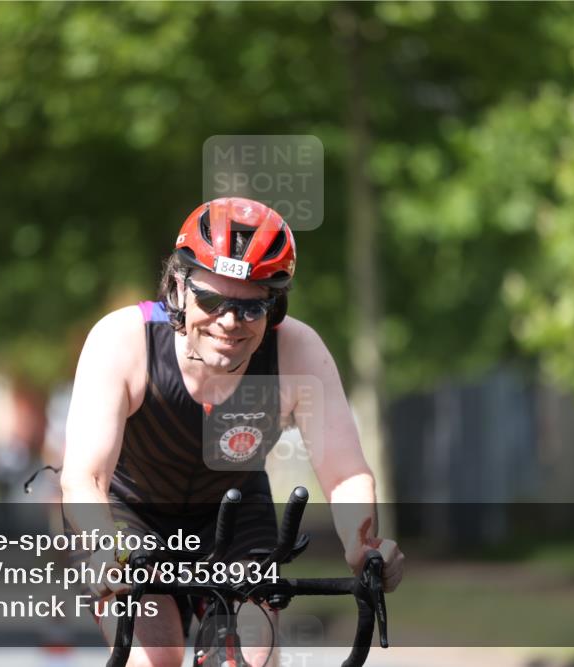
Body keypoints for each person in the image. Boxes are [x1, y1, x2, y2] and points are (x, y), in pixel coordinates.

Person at [60, 197, 404, 667]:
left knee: (250, 657)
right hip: (131, 514)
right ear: (177, 288)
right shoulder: (123, 341)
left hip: (235, 511)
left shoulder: (297, 352)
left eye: (251, 308)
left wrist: (359, 545)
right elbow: (85, 478)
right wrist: (104, 549)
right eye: (210, 299)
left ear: (276, 307)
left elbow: (345, 474)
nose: (228, 322)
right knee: (154, 657)